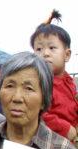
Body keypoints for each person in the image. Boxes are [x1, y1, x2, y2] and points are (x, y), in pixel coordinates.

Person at [31, 10, 78, 142]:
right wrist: (64, 128)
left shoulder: (69, 81)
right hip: (49, 141)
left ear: (67, 55)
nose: (45, 53)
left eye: (52, 48)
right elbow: (38, 112)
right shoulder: (38, 82)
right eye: (39, 49)